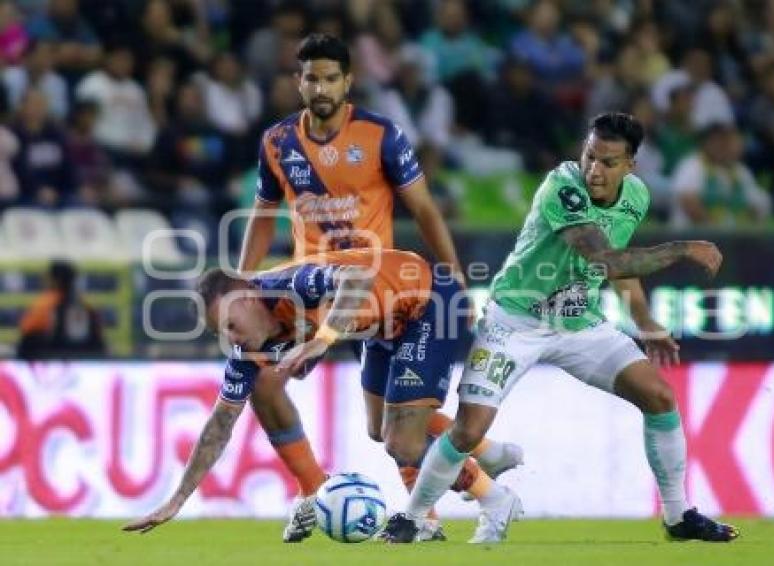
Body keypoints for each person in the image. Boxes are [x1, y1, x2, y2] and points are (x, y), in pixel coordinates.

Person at [382, 112, 740, 544]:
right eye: (590, 156)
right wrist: (683, 247)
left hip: (578, 324)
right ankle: (413, 516)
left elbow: (619, 266)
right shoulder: (562, 186)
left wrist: (645, 321)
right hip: (514, 320)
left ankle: (679, 516)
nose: (595, 169)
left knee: (659, 396)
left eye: (608, 162)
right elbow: (604, 260)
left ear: (631, 166)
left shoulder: (636, 197)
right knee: (469, 430)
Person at [237, 33, 522, 542]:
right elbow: (262, 218)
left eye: (329, 78)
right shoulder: (277, 143)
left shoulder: (380, 135)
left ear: (347, 82)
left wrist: (453, 274)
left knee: (398, 430)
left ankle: (453, 500)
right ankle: (472, 462)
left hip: (381, 292)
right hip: (318, 296)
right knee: (372, 424)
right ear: (297, 82)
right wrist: (243, 283)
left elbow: (425, 209)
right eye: (310, 77)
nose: (319, 87)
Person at [123, 249, 520, 545]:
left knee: (403, 441)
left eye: (230, 324)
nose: (231, 339)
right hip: (380, 327)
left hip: (427, 300)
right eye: (220, 334)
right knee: (380, 432)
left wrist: (322, 340)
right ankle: (490, 452)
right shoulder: (248, 350)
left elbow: (356, 277)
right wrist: (177, 501)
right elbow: (219, 426)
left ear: (246, 297)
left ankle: (494, 497)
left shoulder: (288, 285)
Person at [18, 260, 105, 359]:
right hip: (84, 363)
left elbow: (26, 338)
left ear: (53, 280)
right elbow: (99, 342)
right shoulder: (87, 307)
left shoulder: (42, 306)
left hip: (48, 361)